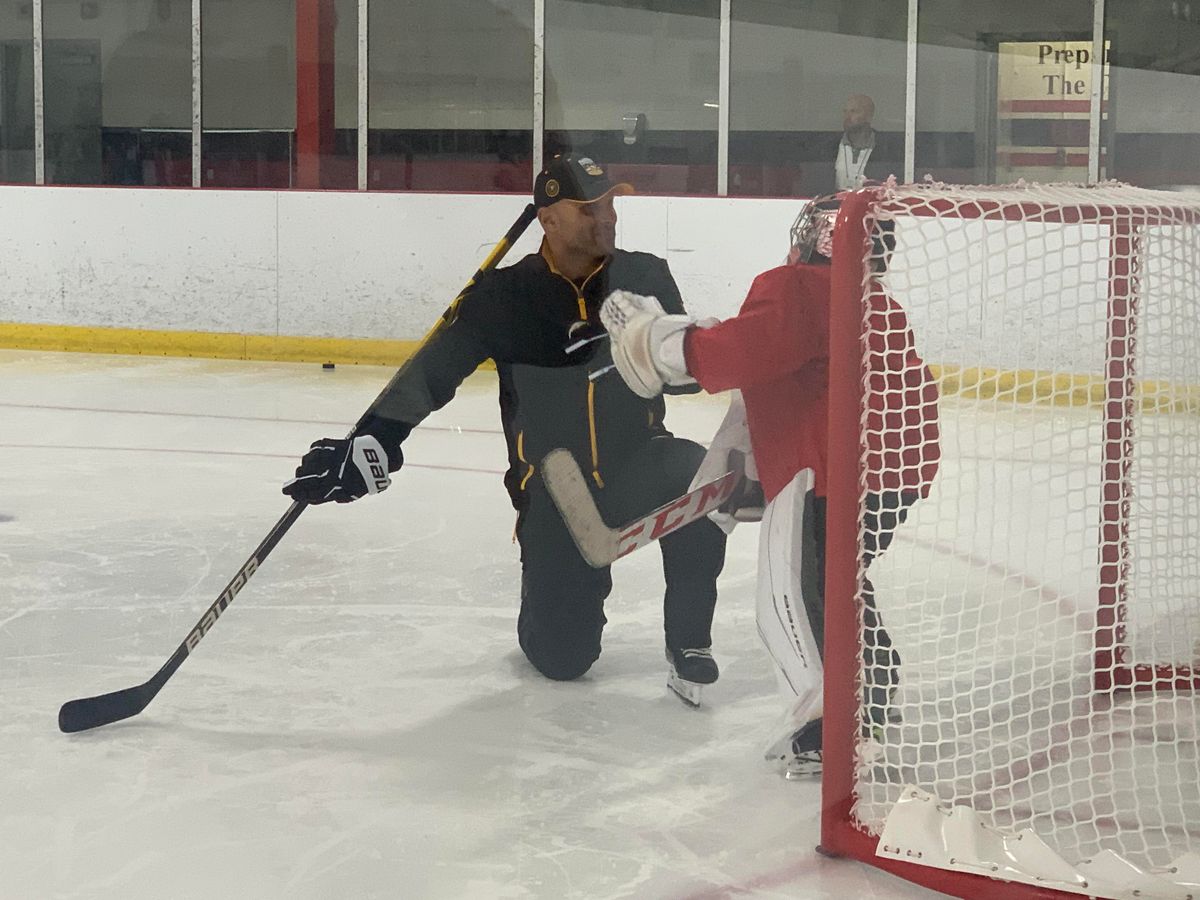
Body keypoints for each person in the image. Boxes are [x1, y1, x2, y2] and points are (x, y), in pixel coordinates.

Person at [282, 154, 727, 702]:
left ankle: (689, 642)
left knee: (698, 473)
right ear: (550, 220)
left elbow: (686, 379)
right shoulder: (504, 297)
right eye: (590, 208)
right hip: (557, 490)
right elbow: (430, 375)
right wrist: (374, 443)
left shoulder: (644, 275)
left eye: (611, 203)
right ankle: (545, 594)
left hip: (639, 461)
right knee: (564, 660)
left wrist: (641, 347)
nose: (607, 217)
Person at [597, 192, 940, 774]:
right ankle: (873, 693)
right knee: (839, 582)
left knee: (795, 598)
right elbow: (799, 378)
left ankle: (827, 730)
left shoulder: (799, 287)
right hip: (894, 475)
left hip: (833, 475)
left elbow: (737, 356)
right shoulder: (874, 300)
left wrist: (658, 338)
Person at [834, 94, 885, 191]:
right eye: (845, 111)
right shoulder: (829, 147)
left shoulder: (885, 149)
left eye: (854, 111)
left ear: (869, 116)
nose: (847, 117)